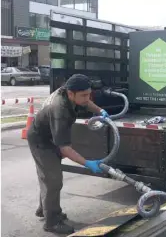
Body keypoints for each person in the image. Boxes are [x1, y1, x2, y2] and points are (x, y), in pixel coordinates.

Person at [27, 74, 110, 234]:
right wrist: (88, 163)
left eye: (89, 94)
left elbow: (86, 104)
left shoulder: (71, 93)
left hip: (50, 136)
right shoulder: (59, 108)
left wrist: (100, 110)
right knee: (53, 180)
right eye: (84, 95)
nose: (87, 98)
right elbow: (64, 148)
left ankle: (44, 209)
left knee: (49, 176)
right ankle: (52, 221)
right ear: (71, 94)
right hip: (41, 141)